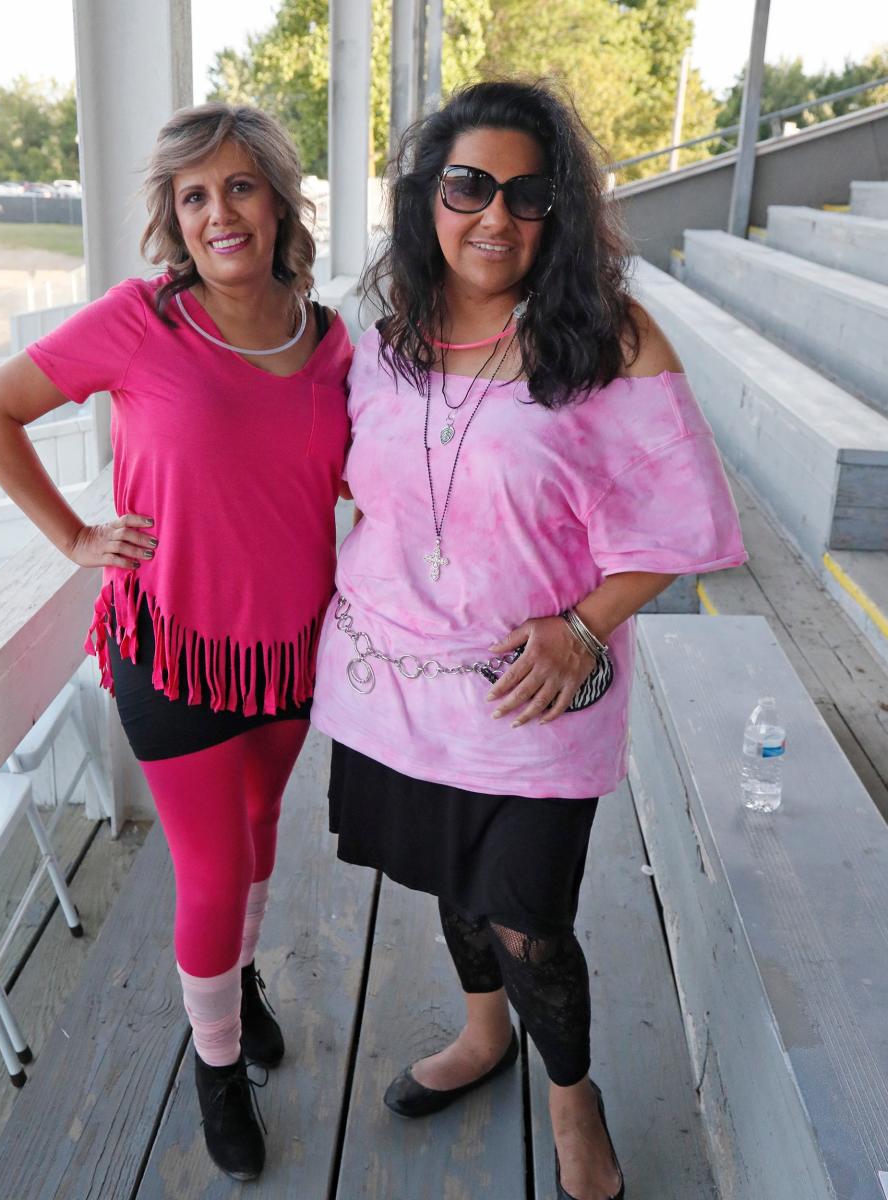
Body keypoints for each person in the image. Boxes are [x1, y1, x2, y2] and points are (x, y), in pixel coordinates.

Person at [311, 80, 746, 1200]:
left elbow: (687, 523)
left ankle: (572, 1095)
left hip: (534, 693)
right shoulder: (389, 335)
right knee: (450, 885)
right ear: (427, 197)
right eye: (468, 186)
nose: (493, 217)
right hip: (390, 682)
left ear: (560, 211)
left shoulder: (611, 339)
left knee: (530, 917)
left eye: (527, 193)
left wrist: (582, 625)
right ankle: (481, 1031)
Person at [0, 103, 352, 1183]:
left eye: (238, 187)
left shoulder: (329, 339)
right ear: (174, 220)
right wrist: (76, 534)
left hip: (288, 654)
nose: (219, 212)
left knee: (264, 831)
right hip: (170, 650)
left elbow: (363, 482)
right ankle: (215, 1065)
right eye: (194, 196)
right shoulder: (142, 320)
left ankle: (238, 982)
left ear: (277, 199)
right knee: (213, 868)